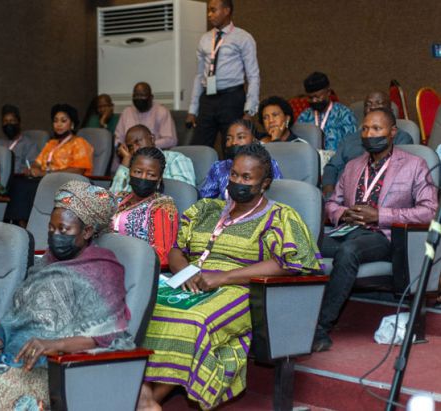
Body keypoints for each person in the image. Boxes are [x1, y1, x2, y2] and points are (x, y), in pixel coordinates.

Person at [137, 144, 323, 410]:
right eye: (234, 174)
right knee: (142, 308)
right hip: (188, 281)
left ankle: (150, 401)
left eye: (247, 177)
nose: (237, 181)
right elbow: (177, 249)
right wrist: (185, 272)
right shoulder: (206, 208)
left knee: (192, 322)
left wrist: (223, 277)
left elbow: (291, 262)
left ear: (264, 183)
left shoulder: (279, 216)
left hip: (240, 287)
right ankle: (144, 394)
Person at [0, 181, 133, 410]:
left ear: (87, 231)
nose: (55, 236)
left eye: (64, 230)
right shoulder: (47, 262)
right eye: (51, 229)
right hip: (11, 360)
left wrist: (55, 344)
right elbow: (18, 315)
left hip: (53, 373)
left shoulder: (102, 271)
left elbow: (109, 336)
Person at [314, 108, 438, 352]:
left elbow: (429, 211)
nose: (369, 134)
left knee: (349, 252)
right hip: (347, 230)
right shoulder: (352, 166)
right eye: (365, 129)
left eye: (377, 129)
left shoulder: (414, 165)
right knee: (304, 245)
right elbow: (331, 203)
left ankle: (320, 328)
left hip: (384, 236)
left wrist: (380, 215)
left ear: (392, 132)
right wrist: (343, 213)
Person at [4, 104, 94, 226]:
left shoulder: (79, 143)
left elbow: (79, 170)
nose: (58, 124)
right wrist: (33, 169)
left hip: (69, 183)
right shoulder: (52, 143)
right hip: (47, 180)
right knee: (17, 183)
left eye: (63, 121)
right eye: (55, 121)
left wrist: (46, 173)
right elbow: (37, 163)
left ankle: (24, 225)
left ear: (72, 124)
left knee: (27, 188)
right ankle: (18, 224)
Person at [186, 0, 260, 148]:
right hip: (207, 99)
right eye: (209, 10)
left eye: (213, 10)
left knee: (233, 146)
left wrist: (249, 111)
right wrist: (192, 110)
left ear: (226, 11)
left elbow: (253, 75)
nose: (209, 14)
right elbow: (199, 75)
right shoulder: (205, 39)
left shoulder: (243, 37)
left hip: (231, 98)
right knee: (199, 146)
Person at [321, 91, 414, 199]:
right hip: (341, 196)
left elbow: (395, 174)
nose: (373, 107)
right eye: (368, 104)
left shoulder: (401, 138)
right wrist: (329, 193)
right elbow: (332, 167)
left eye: (379, 103)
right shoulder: (349, 139)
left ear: (390, 110)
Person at [112, 147, 179, 267]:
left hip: (135, 267)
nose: (143, 177)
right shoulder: (119, 198)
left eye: (151, 174)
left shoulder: (163, 206)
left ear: (159, 178)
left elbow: (162, 256)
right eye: (138, 172)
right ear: (130, 172)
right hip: (106, 259)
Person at [199, 119, 282, 199]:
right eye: (228, 138)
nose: (234, 142)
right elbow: (205, 199)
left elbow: (278, 195)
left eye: (240, 137)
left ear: (254, 140)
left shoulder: (268, 164)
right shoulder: (219, 167)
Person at [111, 124, 196, 193]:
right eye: (130, 147)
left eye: (138, 142)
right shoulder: (133, 167)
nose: (135, 149)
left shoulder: (175, 159)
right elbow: (114, 198)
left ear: (152, 139)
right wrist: (125, 162)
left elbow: (186, 194)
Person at [114, 82, 177, 167]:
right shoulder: (127, 112)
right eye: (136, 95)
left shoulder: (161, 111)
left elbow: (171, 140)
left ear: (151, 97)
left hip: (154, 158)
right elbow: (118, 138)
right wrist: (122, 146)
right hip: (129, 157)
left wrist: (146, 145)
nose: (138, 98)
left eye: (142, 95)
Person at [296, 72, 357, 151]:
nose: (314, 101)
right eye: (310, 98)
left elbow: (352, 145)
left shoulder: (344, 114)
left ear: (328, 92)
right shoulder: (304, 116)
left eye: (317, 97)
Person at [0, 104, 43, 174]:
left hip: (17, 178)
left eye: (12, 121)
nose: (8, 124)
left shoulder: (29, 145)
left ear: (19, 123)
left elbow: (32, 169)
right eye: (5, 121)